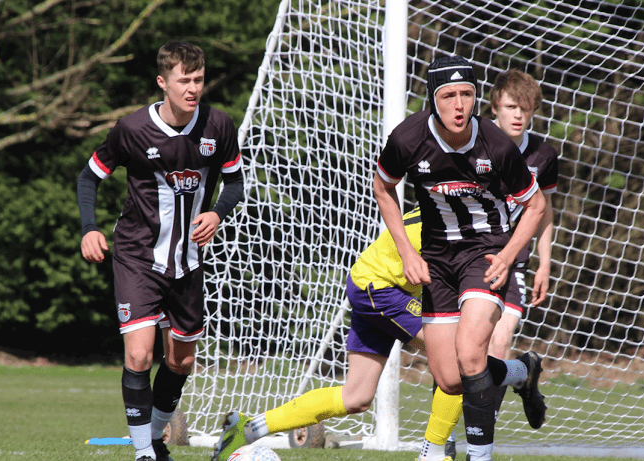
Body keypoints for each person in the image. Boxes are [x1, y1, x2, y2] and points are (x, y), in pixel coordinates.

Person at [373, 55, 547, 461]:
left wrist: (506, 256)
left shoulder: (496, 145)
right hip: (436, 259)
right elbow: (384, 188)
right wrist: (406, 251)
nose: (458, 105)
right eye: (448, 95)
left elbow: (536, 206)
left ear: (476, 98)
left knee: (471, 357)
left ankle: (479, 456)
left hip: (483, 255)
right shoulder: (407, 139)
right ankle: (522, 371)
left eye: (466, 94)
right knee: (451, 379)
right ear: (433, 99)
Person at [77, 41, 244, 461]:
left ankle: (154, 439)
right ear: (162, 82)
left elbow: (236, 183)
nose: (192, 88)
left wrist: (218, 213)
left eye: (199, 80)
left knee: (181, 362)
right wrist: (89, 229)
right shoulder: (132, 129)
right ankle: (143, 455)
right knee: (139, 353)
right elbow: (89, 177)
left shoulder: (218, 126)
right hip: (137, 256)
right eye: (184, 80)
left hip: (187, 263)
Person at [418, 68, 558, 461]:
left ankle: (477, 443)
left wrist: (545, 264)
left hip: (510, 263)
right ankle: (521, 374)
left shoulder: (542, 155)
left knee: (491, 346)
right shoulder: (471, 144)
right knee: (455, 355)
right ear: (494, 105)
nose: (518, 115)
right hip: (461, 258)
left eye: (526, 109)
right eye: (511, 106)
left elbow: (543, 212)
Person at [211, 208, 427, 461]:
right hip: (379, 288)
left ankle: (248, 428)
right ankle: (436, 452)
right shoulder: (458, 215)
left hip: (371, 282)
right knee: (453, 356)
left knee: (356, 398)